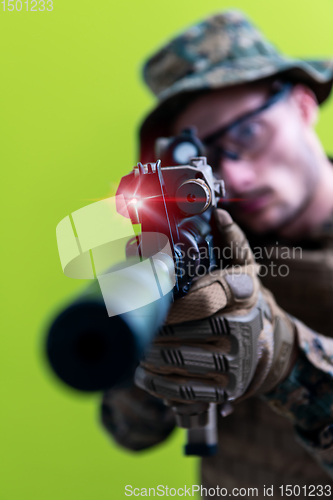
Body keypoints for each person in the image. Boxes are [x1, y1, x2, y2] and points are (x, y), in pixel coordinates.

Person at [101, 10, 333, 497]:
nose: (237, 179)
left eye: (247, 133)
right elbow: (131, 433)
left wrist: (284, 355)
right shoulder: (208, 248)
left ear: (303, 105)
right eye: (207, 158)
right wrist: (149, 334)